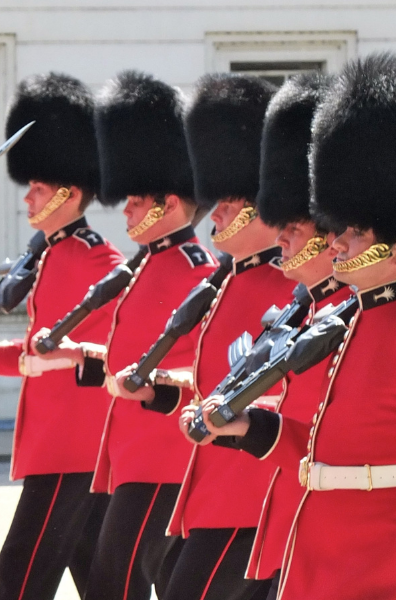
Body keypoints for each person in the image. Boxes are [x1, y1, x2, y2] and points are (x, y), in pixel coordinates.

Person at [201, 53, 396, 599]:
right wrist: (250, 428)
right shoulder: (347, 318)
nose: (337, 243)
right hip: (317, 555)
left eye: (353, 233)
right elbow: (321, 451)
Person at [33, 71, 217, 600]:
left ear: (172, 204)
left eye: (139, 201)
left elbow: (211, 368)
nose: (127, 210)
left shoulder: (195, 269)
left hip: (164, 456)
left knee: (113, 586)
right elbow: (126, 355)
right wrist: (82, 355)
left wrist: (156, 388)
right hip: (128, 457)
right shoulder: (145, 265)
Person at [0, 72, 118, 600]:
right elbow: (36, 351)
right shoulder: (51, 254)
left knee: (18, 577)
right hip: (58, 446)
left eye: (38, 189)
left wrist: (60, 358)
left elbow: (99, 356)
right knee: (101, 584)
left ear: (70, 192)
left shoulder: (98, 261)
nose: (28, 200)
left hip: (74, 447)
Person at [104, 73, 288, 600]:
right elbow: (212, 381)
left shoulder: (286, 285)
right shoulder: (225, 280)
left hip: (249, 488)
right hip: (213, 487)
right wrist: (161, 393)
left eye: (231, 199)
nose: (220, 210)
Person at [188, 71, 345, 590]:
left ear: (329, 236)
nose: (282, 236)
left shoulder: (347, 312)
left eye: (295, 228)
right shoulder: (304, 304)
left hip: (324, 522)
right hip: (282, 508)